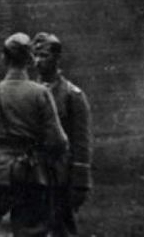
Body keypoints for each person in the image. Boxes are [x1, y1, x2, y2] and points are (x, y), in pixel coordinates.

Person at [0, 33, 69, 237]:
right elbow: (58, 141)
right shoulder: (41, 93)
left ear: (4, 58)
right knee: (30, 232)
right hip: (32, 173)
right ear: (30, 60)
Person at [32, 32, 92, 237]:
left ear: (57, 58)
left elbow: (81, 141)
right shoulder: (29, 93)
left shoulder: (72, 95)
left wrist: (80, 182)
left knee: (62, 229)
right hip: (32, 173)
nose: (38, 61)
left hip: (60, 175)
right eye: (35, 55)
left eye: (44, 56)